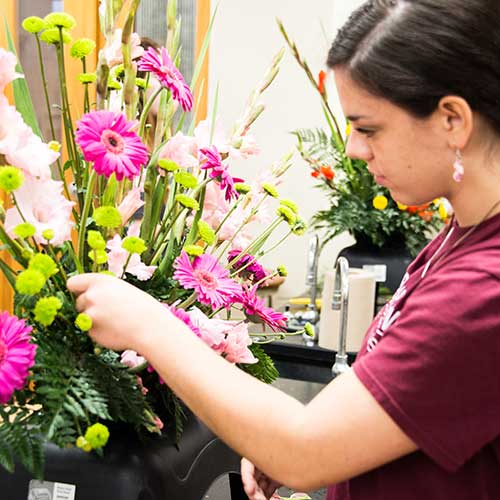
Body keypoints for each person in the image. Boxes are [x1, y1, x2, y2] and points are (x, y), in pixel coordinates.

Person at [67, 0, 500, 498]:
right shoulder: (458, 236)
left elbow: (304, 450)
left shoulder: (482, 292)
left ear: (452, 119)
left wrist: (149, 326)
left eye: (368, 128)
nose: (355, 150)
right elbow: (383, 401)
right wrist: (290, 440)